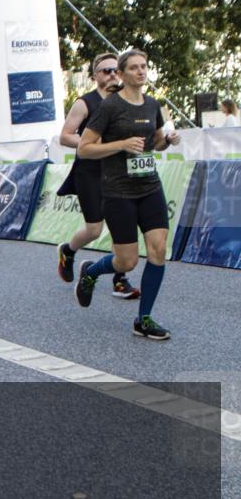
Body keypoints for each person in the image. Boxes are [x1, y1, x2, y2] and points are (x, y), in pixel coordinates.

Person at [75, 49, 180, 340]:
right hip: (118, 191)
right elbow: (84, 148)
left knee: (158, 250)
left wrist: (167, 140)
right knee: (127, 261)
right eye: (133, 67)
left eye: (144, 66)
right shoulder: (109, 106)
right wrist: (121, 144)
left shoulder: (153, 105)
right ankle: (92, 272)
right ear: (121, 74)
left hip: (150, 187)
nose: (141, 71)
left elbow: (155, 143)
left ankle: (143, 319)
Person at [56, 53, 139, 298]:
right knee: (94, 229)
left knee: (120, 226)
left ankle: (120, 280)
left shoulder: (125, 100)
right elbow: (65, 136)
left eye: (115, 70)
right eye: (106, 71)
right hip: (90, 172)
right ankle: (68, 251)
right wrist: (92, 143)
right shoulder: (85, 103)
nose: (112, 74)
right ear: (95, 76)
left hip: (118, 172)